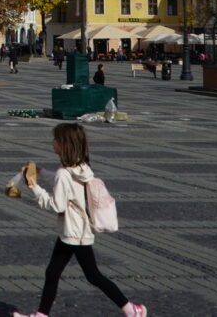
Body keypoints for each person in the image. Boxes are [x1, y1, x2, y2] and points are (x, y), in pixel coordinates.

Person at [14, 124, 147, 317]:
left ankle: (132, 310)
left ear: (63, 144)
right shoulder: (80, 166)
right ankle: (41, 315)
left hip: (74, 232)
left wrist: (34, 187)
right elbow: (66, 184)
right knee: (53, 273)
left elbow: (56, 205)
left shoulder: (64, 173)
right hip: (77, 230)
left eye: (55, 139)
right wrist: (41, 172)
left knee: (93, 275)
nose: (52, 142)